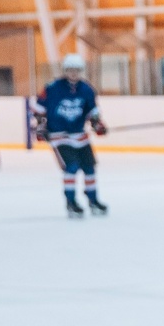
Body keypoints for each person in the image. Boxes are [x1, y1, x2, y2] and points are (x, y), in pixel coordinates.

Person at [33, 53, 108, 218]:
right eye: (70, 69)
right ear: (65, 70)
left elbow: (92, 112)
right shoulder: (52, 88)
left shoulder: (86, 89)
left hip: (79, 136)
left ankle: (93, 199)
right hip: (59, 136)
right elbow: (38, 109)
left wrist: (97, 124)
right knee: (71, 167)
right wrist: (41, 126)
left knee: (89, 167)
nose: (73, 73)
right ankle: (71, 202)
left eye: (76, 70)